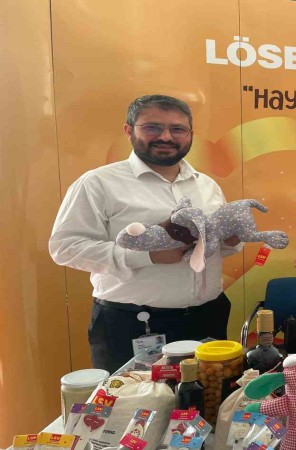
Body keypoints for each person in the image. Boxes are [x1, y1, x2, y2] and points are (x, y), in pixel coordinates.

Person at [49, 94, 242, 373]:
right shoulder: (98, 183)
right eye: (153, 127)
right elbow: (65, 247)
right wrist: (148, 256)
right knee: (131, 400)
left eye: (177, 129)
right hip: (133, 324)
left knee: (207, 396)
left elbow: (217, 247)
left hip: (207, 317)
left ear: (190, 134)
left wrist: (230, 241)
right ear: (129, 130)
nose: (166, 137)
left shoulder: (207, 185)